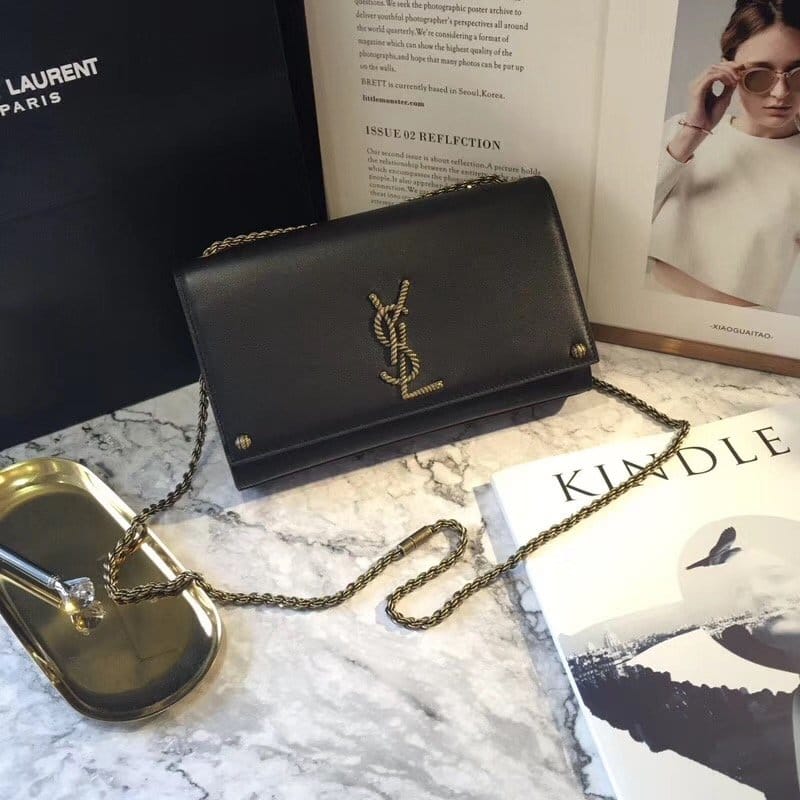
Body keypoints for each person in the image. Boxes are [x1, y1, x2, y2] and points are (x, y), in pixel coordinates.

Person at [562, 517, 800, 799]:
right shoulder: (761, 728)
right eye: (739, 592)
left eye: (776, 577)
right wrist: (697, 609)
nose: (758, 593)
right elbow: (577, 665)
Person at [647, 0, 800, 311]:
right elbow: (614, 225)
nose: (780, 93)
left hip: (748, 332)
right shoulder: (679, 132)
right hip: (648, 310)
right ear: (727, 70)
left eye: (797, 75)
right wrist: (692, 135)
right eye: (759, 75)